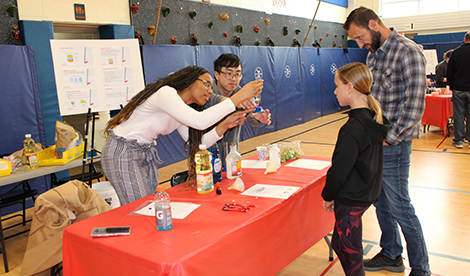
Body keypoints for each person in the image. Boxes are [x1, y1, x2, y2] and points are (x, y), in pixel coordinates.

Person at [344, 7, 431, 276]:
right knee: (381, 202)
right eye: (356, 41)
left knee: (400, 206)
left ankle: (421, 268)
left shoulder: (408, 51)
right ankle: (392, 254)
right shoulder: (373, 55)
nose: (360, 44)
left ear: (373, 24)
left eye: (360, 37)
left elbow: (414, 106)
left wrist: (388, 140)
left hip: (394, 143)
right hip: (376, 142)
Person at [102, 66, 263, 205]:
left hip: (142, 152)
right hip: (123, 153)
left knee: (151, 204)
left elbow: (200, 142)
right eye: (206, 84)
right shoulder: (165, 93)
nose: (209, 91)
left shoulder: (180, 108)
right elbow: (199, 121)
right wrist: (237, 98)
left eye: (211, 87)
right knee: (140, 208)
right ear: (189, 81)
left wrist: (225, 125)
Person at [322, 62, 390, 276]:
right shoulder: (371, 119)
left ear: (350, 88)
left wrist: (328, 195)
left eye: (337, 86)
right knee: (339, 243)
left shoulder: (353, 128)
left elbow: (339, 170)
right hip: (365, 193)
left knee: (351, 254)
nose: (335, 91)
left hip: (351, 198)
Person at [205, 53, 271, 164]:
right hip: (206, 158)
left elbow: (251, 115)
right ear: (217, 75)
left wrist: (259, 118)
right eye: (229, 73)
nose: (233, 79)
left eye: (237, 74)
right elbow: (214, 100)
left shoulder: (240, 93)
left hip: (231, 157)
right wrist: (236, 100)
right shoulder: (206, 92)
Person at [446, 32, 470, 148]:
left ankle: (459, 140)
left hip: (459, 88)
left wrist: (452, 86)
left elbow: (449, 72)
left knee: (458, 115)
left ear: (464, 39)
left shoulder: (455, 53)